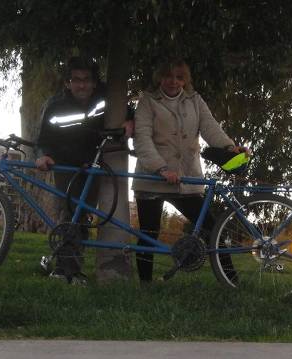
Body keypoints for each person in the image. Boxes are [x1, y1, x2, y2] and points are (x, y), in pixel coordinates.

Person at [132, 58, 249, 282]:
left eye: (179, 77)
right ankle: (145, 286)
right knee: (148, 234)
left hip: (187, 179)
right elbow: (142, 139)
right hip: (152, 177)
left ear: (186, 80)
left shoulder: (195, 100)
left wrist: (229, 147)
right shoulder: (147, 101)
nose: (173, 81)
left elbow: (210, 127)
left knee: (214, 230)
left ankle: (231, 280)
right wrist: (161, 168)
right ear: (159, 78)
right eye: (168, 76)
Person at [35, 56, 133, 283]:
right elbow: (44, 139)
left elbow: (128, 111)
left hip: (95, 166)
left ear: (94, 82)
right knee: (69, 213)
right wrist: (43, 156)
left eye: (86, 80)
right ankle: (65, 268)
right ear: (67, 83)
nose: (81, 85)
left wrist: (131, 121)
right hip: (66, 166)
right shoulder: (55, 105)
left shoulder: (104, 97)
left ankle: (71, 268)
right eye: (76, 80)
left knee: (82, 216)